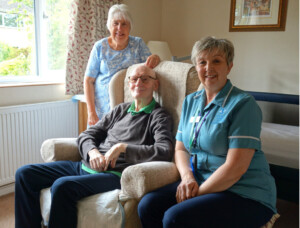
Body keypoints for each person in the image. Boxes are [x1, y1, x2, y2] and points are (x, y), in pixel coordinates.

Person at [138, 36, 277, 228]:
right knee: (148, 205)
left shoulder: (243, 105)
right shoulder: (191, 101)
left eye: (216, 61)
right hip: (201, 179)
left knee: (175, 218)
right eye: (202, 62)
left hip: (244, 192)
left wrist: (196, 194)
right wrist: (187, 177)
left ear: (229, 66)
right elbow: (180, 149)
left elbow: (235, 168)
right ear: (196, 67)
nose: (208, 68)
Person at [15, 65, 174, 228]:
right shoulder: (120, 110)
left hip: (114, 174)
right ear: (129, 84)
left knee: (63, 186)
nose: (138, 82)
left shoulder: (159, 116)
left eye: (145, 79)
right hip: (85, 165)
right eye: (134, 79)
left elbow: (164, 151)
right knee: (25, 174)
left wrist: (122, 148)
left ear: (155, 85)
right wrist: (93, 152)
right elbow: (87, 134)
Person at [84, 4, 160, 126]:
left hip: (130, 108)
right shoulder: (100, 47)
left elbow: (151, 66)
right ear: (109, 26)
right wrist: (91, 112)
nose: (120, 28)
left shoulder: (138, 44)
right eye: (116, 23)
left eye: (124, 24)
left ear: (130, 27)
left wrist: (156, 58)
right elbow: (88, 81)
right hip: (102, 110)